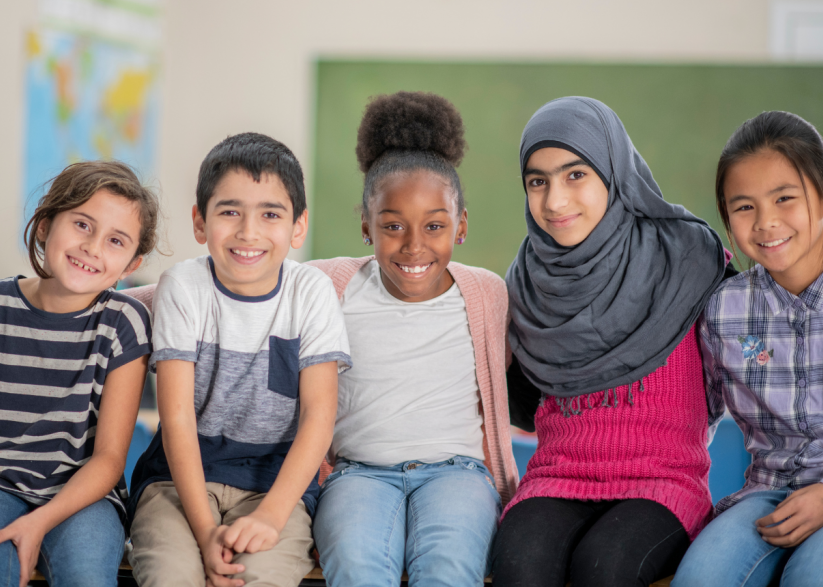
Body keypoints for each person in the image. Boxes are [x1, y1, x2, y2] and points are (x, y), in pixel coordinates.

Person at [495, 97, 729, 587]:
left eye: (575, 174)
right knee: (517, 559)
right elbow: (520, 404)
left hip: (662, 482)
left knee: (605, 567)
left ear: (614, 170)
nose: (555, 201)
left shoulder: (691, 260)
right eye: (538, 180)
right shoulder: (525, 287)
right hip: (558, 476)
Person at [309, 91, 519, 586]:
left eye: (435, 226)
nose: (414, 245)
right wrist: (100, 291)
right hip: (358, 473)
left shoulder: (487, 294)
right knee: (358, 567)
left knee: (447, 569)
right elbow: (228, 283)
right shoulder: (329, 286)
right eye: (393, 226)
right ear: (366, 225)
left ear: (460, 226)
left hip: (458, 474)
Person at [126, 133, 350, 587]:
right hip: (177, 481)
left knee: (257, 578)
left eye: (270, 213)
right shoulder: (183, 287)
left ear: (298, 226)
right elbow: (178, 418)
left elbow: (318, 417)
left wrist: (269, 517)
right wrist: (206, 532)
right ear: (200, 222)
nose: (248, 231)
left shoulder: (311, 293)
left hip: (275, 487)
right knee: (171, 575)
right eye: (230, 211)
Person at [0, 161, 157, 587]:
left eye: (116, 240)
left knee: (87, 576)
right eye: (81, 224)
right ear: (44, 225)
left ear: (132, 262)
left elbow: (110, 459)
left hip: (85, 493)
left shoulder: (124, 321)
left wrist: (40, 521)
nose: (93, 247)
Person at [672, 111, 823, 587]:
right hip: (768, 496)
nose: (766, 223)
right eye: (743, 207)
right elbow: (694, 418)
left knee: (816, 577)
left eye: (785, 198)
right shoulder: (724, 308)